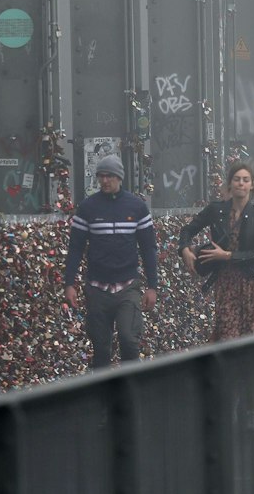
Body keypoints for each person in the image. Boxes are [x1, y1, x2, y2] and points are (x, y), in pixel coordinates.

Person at [62, 155, 160, 369]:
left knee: (129, 341)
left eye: (110, 176)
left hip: (128, 286)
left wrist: (152, 286)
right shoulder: (88, 208)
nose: (105, 181)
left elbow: (148, 248)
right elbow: (76, 247)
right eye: (101, 176)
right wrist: (69, 283)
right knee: (101, 348)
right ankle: (103, 395)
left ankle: (130, 390)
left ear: (120, 177)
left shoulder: (137, 207)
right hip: (97, 288)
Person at [178, 161, 254, 341]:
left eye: (246, 180)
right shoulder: (217, 210)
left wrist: (227, 255)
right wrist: (184, 249)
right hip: (226, 282)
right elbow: (188, 229)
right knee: (229, 337)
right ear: (230, 183)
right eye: (237, 179)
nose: (241, 183)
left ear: (252, 185)